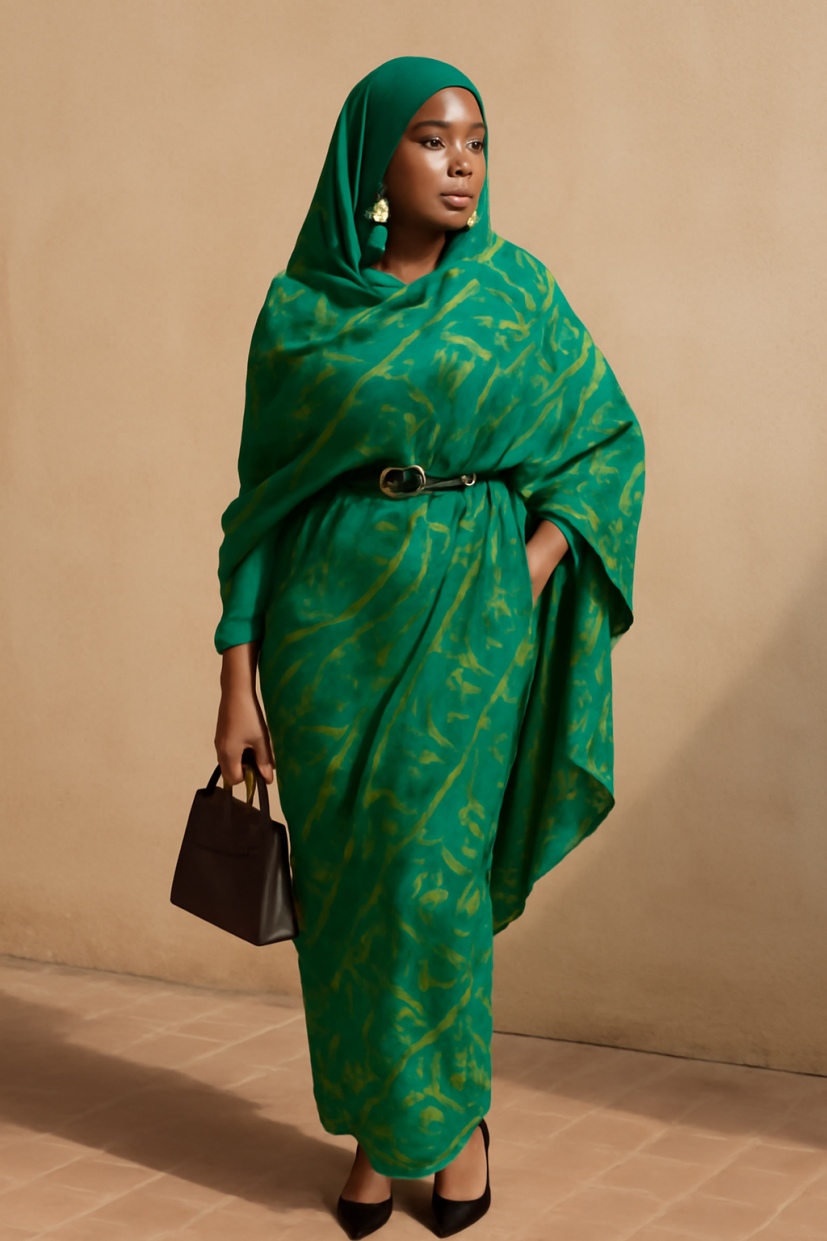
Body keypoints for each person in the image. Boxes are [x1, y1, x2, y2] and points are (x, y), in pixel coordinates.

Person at [213, 55, 645, 1239]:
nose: (460, 164)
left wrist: (530, 562)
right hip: (323, 632)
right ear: (372, 160)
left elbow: (604, 440)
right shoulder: (300, 311)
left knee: (430, 888)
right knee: (352, 894)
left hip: (465, 621)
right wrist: (236, 674)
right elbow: (261, 504)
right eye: (431, 140)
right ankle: (373, 1131)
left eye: (475, 142)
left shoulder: (514, 294)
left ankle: (450, 1127)